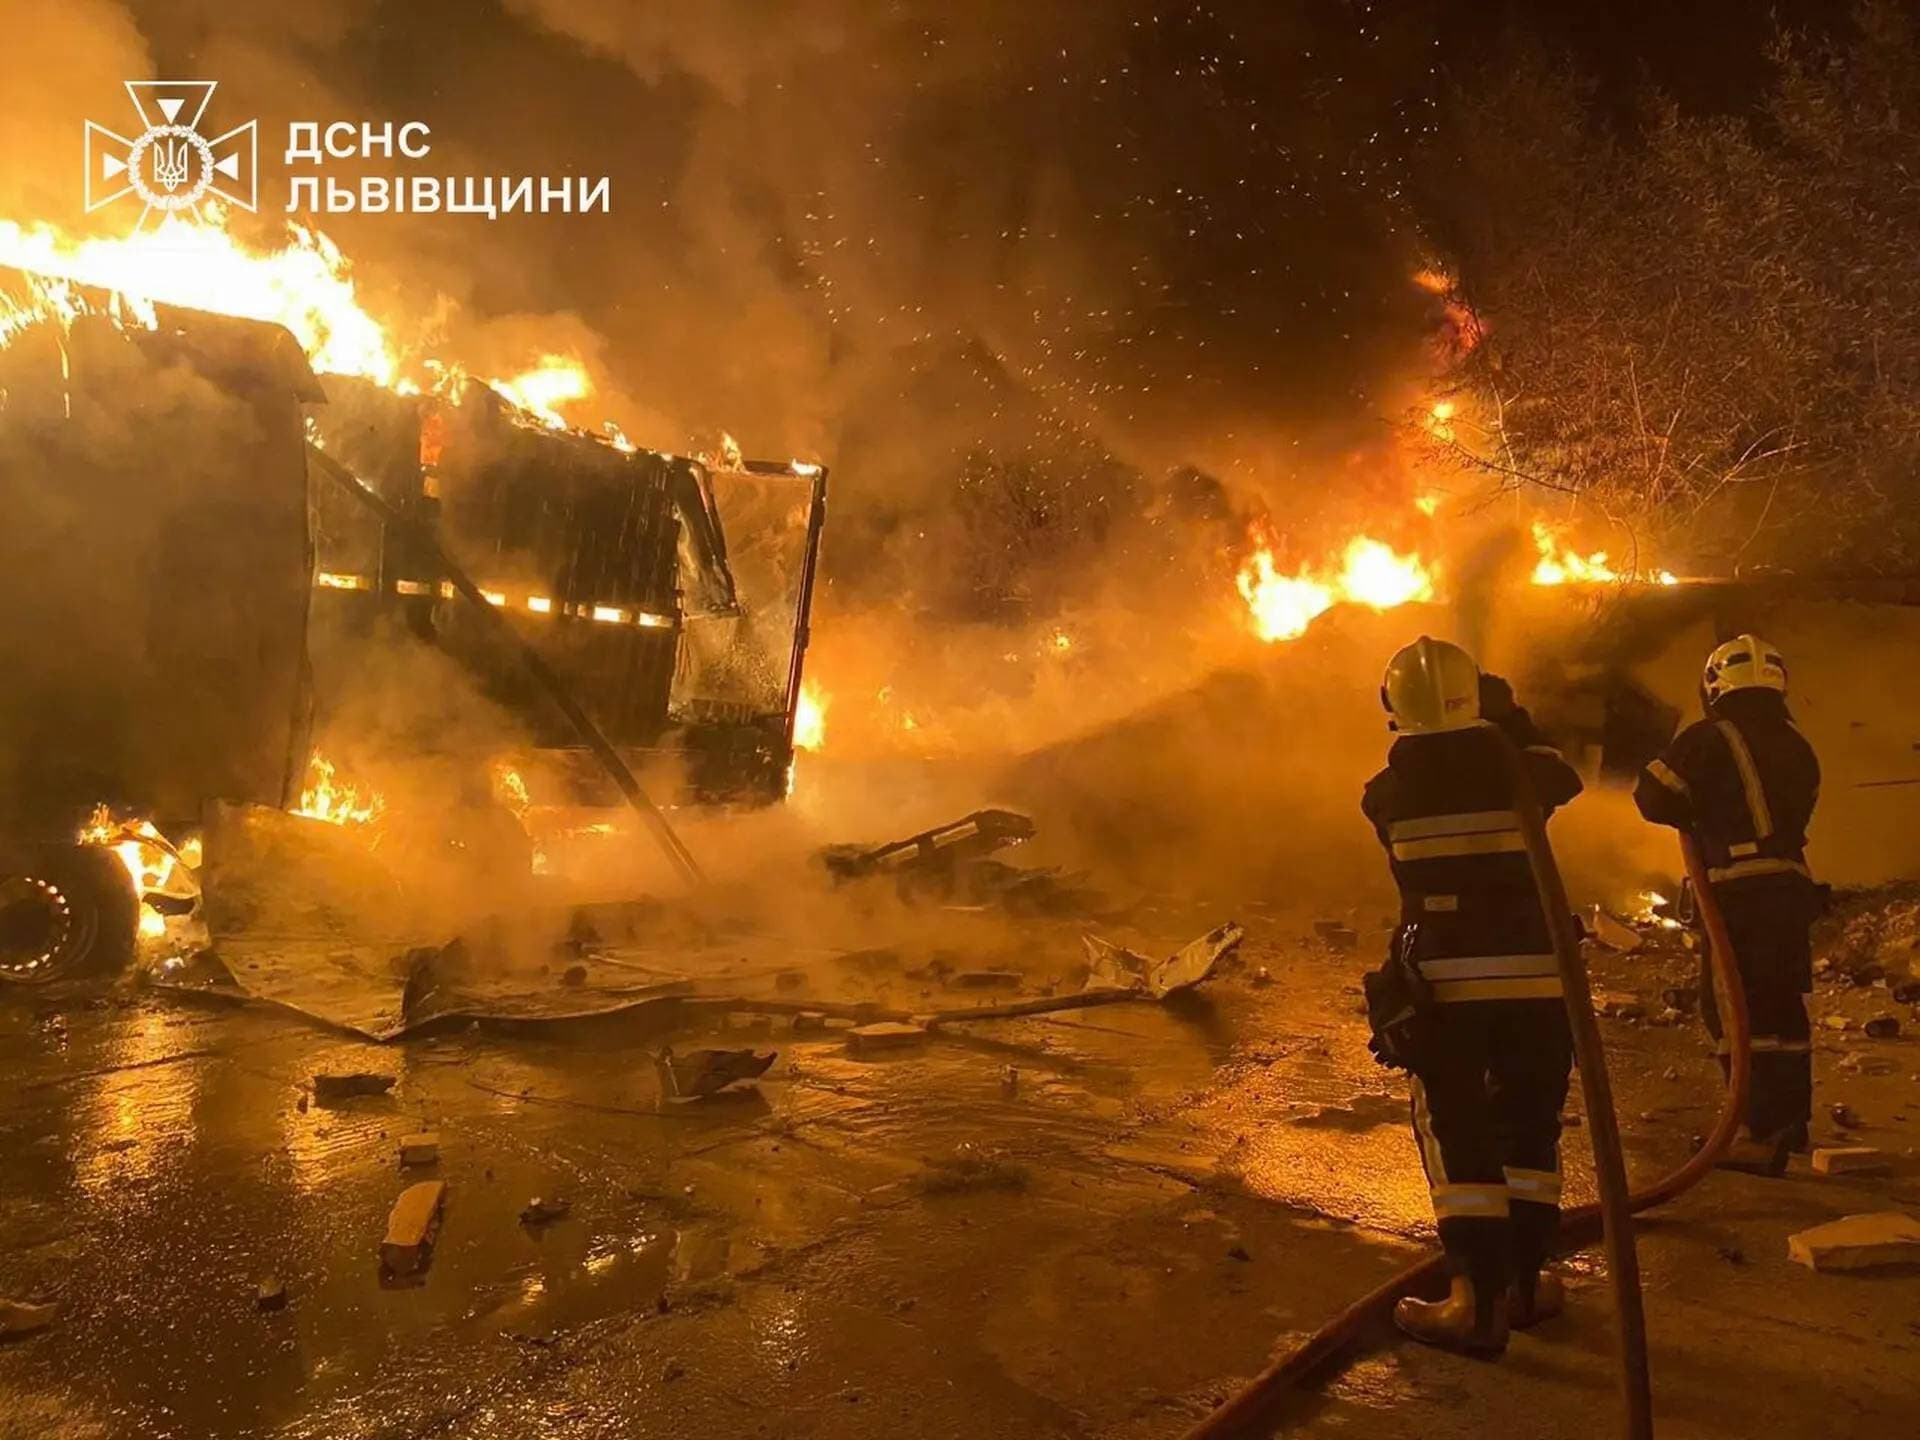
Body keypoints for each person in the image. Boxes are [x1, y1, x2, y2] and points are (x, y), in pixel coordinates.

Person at [1362, 636, 1583, 1356]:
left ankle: (1475, 1303)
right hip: (1540, 979)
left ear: (1395, 708)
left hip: (1449, 988)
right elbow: (1560, 775)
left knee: (1458, 1135)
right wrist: (1509, 719)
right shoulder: (1524, 773)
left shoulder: (1385, 794)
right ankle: (1525, 1285)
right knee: (1529, 1128)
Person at [1634, 634, 1821, 1175]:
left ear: (1716, 686)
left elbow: (1652, 796)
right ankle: (1788, 1124)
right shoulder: (1798, 745)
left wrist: (1698, 810)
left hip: (1739, 890)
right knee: (1781, 1006)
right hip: (1790, 886)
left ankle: (1755, 1132)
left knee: (1736, 1008)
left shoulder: (1709, 737)